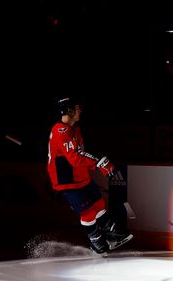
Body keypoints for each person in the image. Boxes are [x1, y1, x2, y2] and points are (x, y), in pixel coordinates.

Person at [47, 97, 133, 254]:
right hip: (67, 180)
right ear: (68, 111)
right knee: (87, 211)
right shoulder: (61, 131)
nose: (79, 110)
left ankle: (112, 234)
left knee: (98, 203)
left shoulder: (75, 129)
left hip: (80, 176)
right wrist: (98, 163)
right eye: (76, 108)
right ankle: (96, 242)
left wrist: (97, 162)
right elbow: (74, 157)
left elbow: (80, 153)